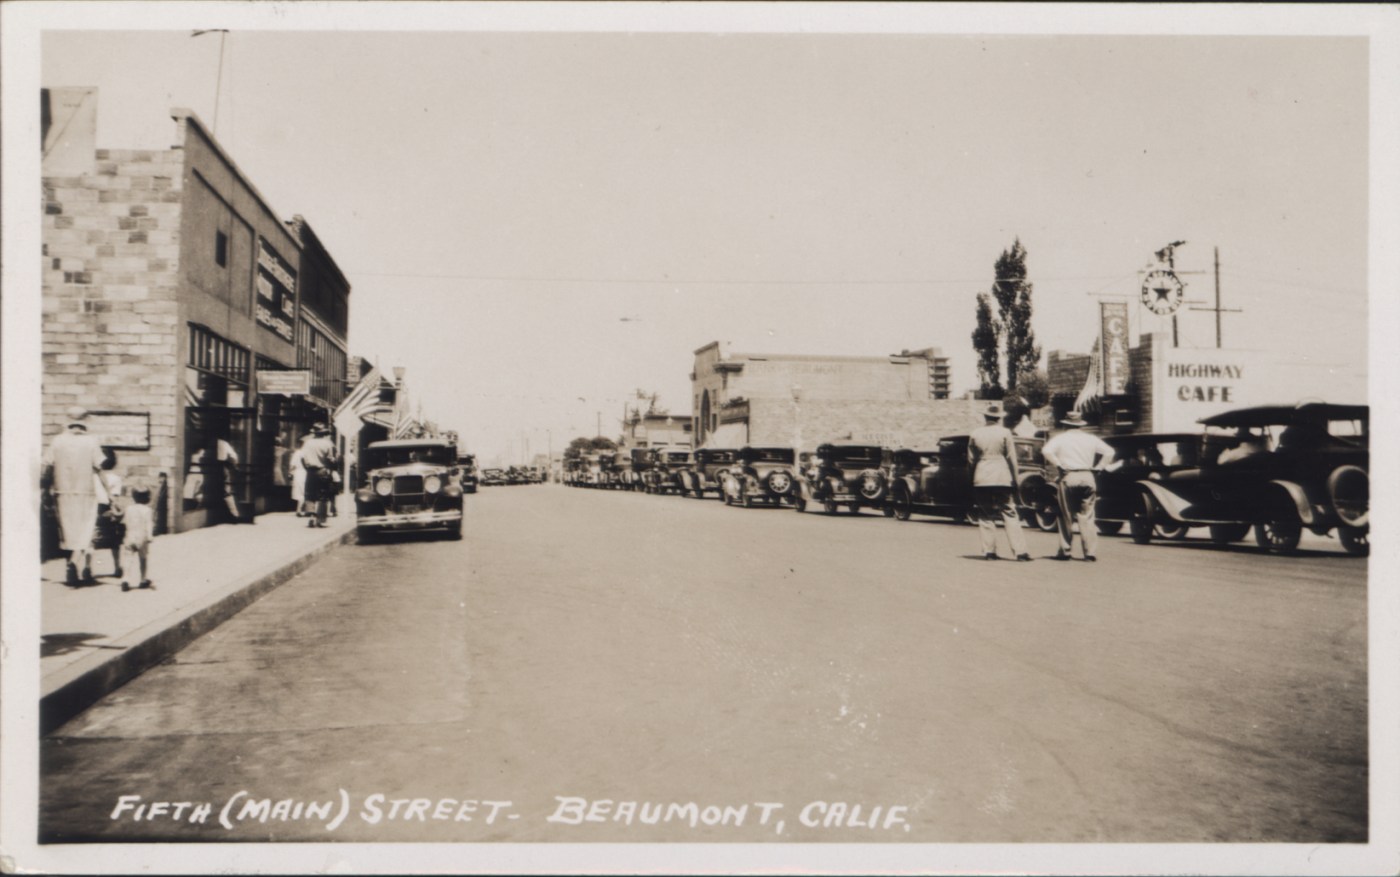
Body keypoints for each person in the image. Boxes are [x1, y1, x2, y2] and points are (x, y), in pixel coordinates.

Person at [42, 407, 106, 586]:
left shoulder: (57, 441)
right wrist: (110, 494)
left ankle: (70, 564)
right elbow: (99, 469)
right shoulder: (92, 441)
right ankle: (74, 563)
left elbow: (47, 466)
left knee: (67, 533)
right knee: (85, 531)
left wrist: (45, 491)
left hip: (62, 493)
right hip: (86, 493)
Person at [1042, 410, 1116, 562]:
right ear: (1080, 425)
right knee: (1087, 515)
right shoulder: (1090, 438)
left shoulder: (1061, 438)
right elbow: (1110, 451)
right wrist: (1100, 467)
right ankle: (1090, 552)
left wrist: (1059, 464)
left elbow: (1046, 450)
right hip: (1087, 475)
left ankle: (1065, 551)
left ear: (1065, 424)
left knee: (1066, 515)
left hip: (1069, 475)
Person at [967, 403, 1032, 562]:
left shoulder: (975, 434)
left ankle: (989, 552)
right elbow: (1012, 458)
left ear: (985, 417)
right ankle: (1020, 552)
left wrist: (971, 479)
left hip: (981, 477)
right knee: (1010, 513)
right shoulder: (1005, 433)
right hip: (1002, 477)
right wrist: (1015, 480)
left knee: (986, 514)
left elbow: (971, 460)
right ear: (999, 418)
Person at [93, 449, 126, 578]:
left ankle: (87, 567)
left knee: (92, 540)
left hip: (94, 509)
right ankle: (117, 567)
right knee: (114, 542)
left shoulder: (94, 477)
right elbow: (115, 498)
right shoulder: (116, 478)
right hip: (108, 509)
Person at [299, 423, 339, 528]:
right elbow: (331, 459)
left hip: (311, 472)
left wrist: (307, 468)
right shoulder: (328, 443)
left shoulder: (308, 443)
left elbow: (302, 458)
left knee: (310, 495)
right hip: (323, 471)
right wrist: (331, 467)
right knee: (322, 496)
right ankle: (320, 520)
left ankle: (311, 516)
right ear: (323, 433)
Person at [120, 486, 156, 592]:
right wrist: (150, 535)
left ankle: (125, 579)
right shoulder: (147, 510)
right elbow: (149, 523)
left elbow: (125, 522)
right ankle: (143, 579)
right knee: (143, 559)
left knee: (128, 559)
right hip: (142, 537)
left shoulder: (129, 509)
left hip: (130, 535)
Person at [290, 442, 308, 516]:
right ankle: (301, 509)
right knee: (304, 491)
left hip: (298, 473)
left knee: (299, 491)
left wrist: (290, 472)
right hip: (305, 473)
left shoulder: (297, 453)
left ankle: (299, 509)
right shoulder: (306, 453)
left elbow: (292, 465)